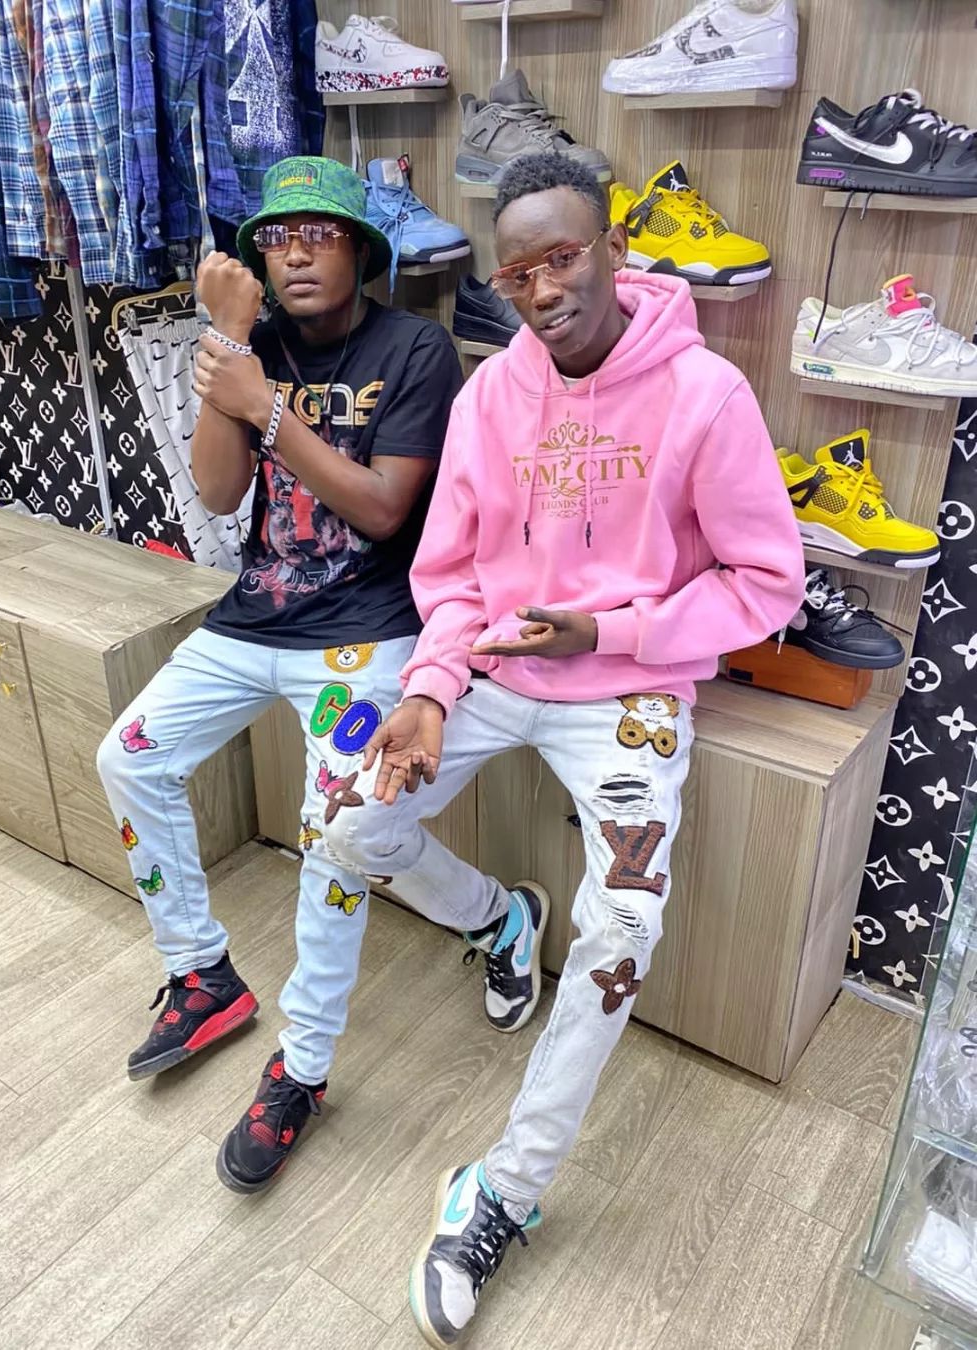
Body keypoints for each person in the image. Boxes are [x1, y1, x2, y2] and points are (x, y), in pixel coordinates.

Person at [323, 153, 806, 1346]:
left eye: (563, 258)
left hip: (629, 689)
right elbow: (448, 572)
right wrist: (431, 689)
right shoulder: (492, 396)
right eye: (518, 272)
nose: (541, 290)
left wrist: (615, 629)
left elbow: (767, 582)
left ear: (614, 251)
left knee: (624, 929)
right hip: (494, 667)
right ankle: (497, 920)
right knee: (344, 820)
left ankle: (503, 1190)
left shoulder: (704, 393)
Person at [96, 155, 463, 1193]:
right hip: (253, 617)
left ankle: (302, 1068)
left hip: (363, 636)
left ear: (361, 249)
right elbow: (218, 496)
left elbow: (383, 509)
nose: (295, 253)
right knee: (128, 758)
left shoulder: (416, 348)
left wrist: (267, 406)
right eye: (276, 236)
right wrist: (225, 343)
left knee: (333, 835)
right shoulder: (246, 346)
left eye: (320, 233)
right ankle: (201, 973)